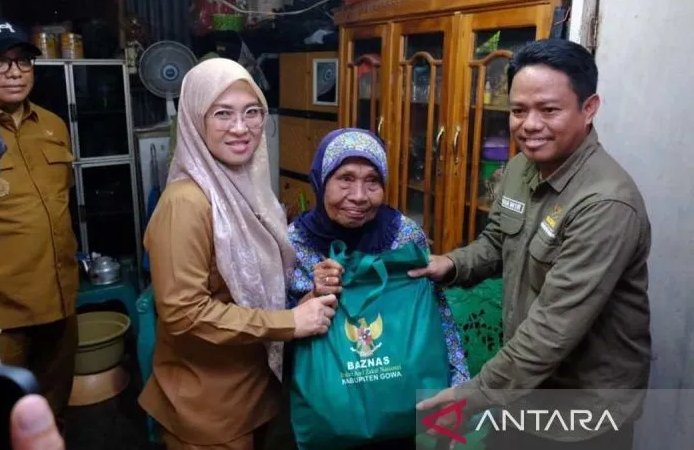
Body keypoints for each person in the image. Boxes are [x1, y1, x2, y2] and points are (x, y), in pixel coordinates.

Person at [412, 39, 652, 450]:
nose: (529, 124)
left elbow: (554, 328)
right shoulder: (523, 166)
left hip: (582, 412)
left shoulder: (605, 204)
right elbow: (497, 240)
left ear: (589, 108)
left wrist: (469, 397)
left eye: (549, 110)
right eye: (518, 110)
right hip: (520, 388)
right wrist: (450, 264)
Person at [139, 57, 337, 450]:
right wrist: (289, 321)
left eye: (252, 112)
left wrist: (305, 297)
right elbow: (183, 313)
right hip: (208, 407)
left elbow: (253, 283)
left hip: (251, 390)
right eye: (222, 113)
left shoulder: (249, 190)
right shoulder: (187, 204)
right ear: (196, 121)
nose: (241, 127)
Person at [286, 127, 470, 449]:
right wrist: (313, 295)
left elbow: (437, 317)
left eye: (373, 181)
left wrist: (457, 388)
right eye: (345, 178)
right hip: (329, 412)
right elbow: (273, 328)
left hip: (399, 408)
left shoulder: (402, 235)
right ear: (321, 180)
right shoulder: (295, 243)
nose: (359, 195)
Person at [0, 18, 79, 426]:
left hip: (60, 299)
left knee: (52, 406)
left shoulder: (52, 125)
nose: (14, 72)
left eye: (23, 61)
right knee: (1, 416)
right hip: (0, 313)